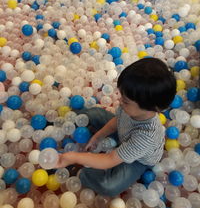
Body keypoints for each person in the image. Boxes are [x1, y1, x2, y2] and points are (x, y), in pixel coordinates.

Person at [56, 58, 176, 197]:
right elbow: (116, 122)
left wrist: (74, 157)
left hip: (139, 160)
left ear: (153, 108)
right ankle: (71, 118)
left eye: (125, 101)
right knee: (96, 113)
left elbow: (109, 160)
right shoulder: (129, 107)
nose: (120, 101)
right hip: (124, 134)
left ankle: (82, 174)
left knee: (110, 186)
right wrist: (98, 136)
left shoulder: (146, 136)